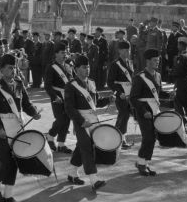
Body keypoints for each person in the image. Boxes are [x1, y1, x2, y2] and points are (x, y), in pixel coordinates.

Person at [0, 53, 41, 202]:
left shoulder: (19, 84)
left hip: (17, 128)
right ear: (1, 70)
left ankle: (8, 195)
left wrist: (34, 112)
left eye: (14, 67)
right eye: (10, 68)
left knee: (15, 162)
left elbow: (27, 104)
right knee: (5, 162)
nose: (14, 70)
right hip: (2, 130)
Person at [64, 54, 113, 190]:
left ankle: (72, 173)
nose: (87, 70)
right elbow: (69, 107)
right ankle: (94, 179)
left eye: (89, 67)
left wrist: (109, 99)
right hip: (81, 121)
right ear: (77, 69)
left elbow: (95, 103)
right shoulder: (71, 85)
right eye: (84, 67)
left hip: (93, 120)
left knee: (82, 147)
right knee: (87, 148)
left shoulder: (91, 82)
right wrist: (80, 121)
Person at [130, 48, 165, 176]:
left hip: (155, 110)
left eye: (158, 60)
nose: (157, 63)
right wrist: (143, 111)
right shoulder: (139, 77)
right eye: (155, 60)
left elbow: (156, 94)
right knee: (148, 137)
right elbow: (133, 98)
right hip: (143, 111)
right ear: (148, 61)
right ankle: (140, 163)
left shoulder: (158, 75)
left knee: (153, 138)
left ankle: (145, 162)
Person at [44, 42, 73, 153]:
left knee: (66, 120)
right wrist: (55, 96)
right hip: (57, 97)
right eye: (62, 53)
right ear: (56, 54)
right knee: (60, 120)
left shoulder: (68, 66)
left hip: (68, 97)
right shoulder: (51, 67)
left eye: (65, 52)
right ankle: (50, 136)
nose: (65, 55)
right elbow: (47, 86)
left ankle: (61, 144)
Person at [107, 40, 134, 149]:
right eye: (125, 50)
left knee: (125, 116)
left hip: (129, 94)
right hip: (121, 94)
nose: (128, 52)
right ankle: (117, 139)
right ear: (119, 51)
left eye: (129, 50)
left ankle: (120, 139)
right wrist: (119, 93)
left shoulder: (129, 62)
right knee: (123, 115)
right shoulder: (115, 64)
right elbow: (110, 82)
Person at [172, 36, 187, 130]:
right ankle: (184, 123)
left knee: (179, 104)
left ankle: (182, 124)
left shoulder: (181, 57)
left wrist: (171, 73)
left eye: (178, 44)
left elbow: (178, 71)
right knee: (185, 104)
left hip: (181, 82)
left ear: (181, 45)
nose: (177, 46)